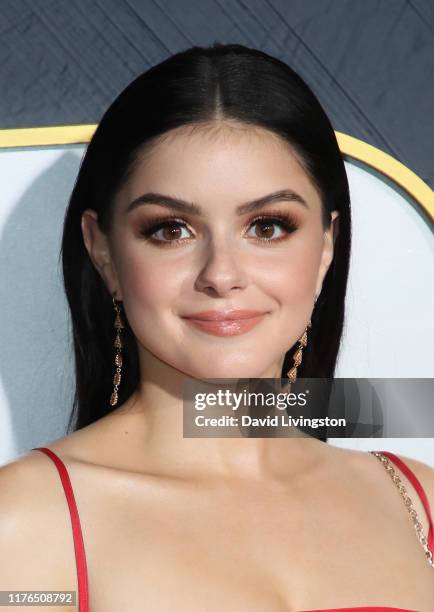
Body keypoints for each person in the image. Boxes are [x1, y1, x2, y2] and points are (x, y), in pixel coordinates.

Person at [0, 43, 433, 612]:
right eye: (171, 229)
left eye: (269, 226)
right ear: (102, 250)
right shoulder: (26, 523)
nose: (221, 275)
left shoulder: (415, 501)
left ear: (326, 245)